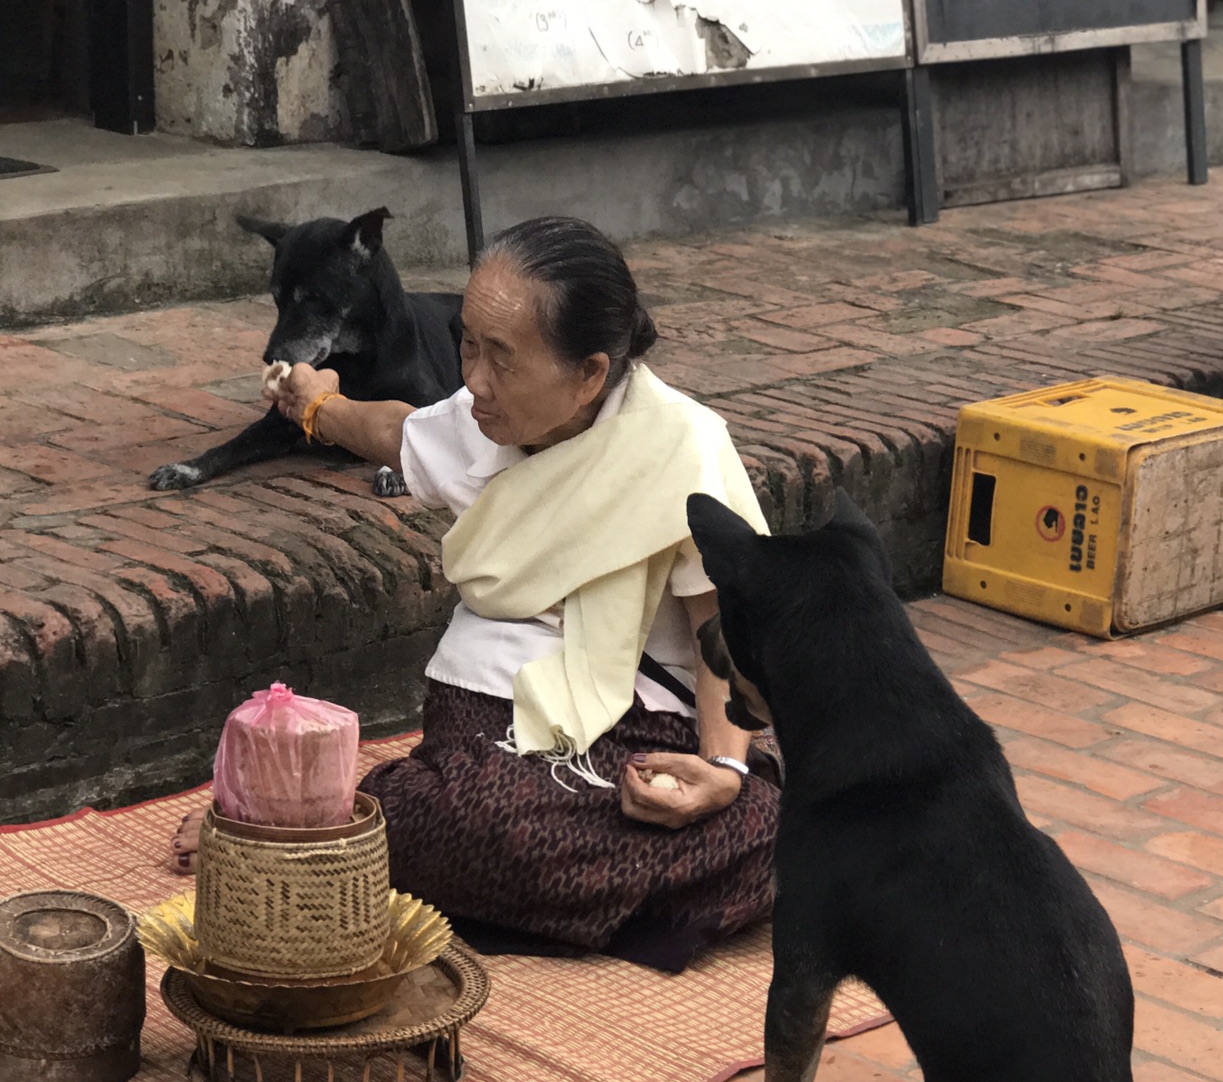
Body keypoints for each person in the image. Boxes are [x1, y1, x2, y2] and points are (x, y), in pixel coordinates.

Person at [177, 217, 778, 972]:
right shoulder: (478, 419)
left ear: (590, 373)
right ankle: (349, 833)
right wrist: (313, 405)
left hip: (645, 721)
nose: (475, 381)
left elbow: (723, 626)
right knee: (482, 824)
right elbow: (398, 431)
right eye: (468, 345)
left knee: (779, 809)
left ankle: (362, 840)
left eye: (505, 360)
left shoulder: (683, 446)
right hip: (496, 716)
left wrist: (722, 775)